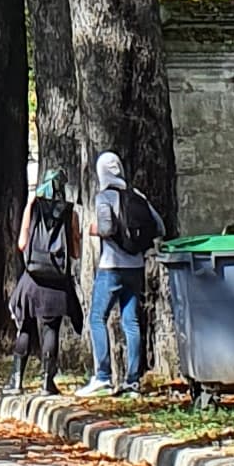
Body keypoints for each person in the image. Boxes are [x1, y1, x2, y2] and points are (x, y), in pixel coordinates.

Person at [87, 146, 168, 393]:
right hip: (136, 267)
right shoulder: (137, 196)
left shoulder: (104, 197)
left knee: (96, 318)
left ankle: (102, 375)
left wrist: (94, 230)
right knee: (131, 322)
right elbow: (160, 227)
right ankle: (132, 380)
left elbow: (106, 228)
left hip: (111, 266)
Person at [11, 178, 79, 392]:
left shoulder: (32, 207)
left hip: (32, 279)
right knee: (51, 328)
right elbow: (75, 252)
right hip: (57, 282)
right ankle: (47, 382)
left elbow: (22, 244)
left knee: (26, 326)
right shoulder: (70, 212)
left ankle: (15, 381)